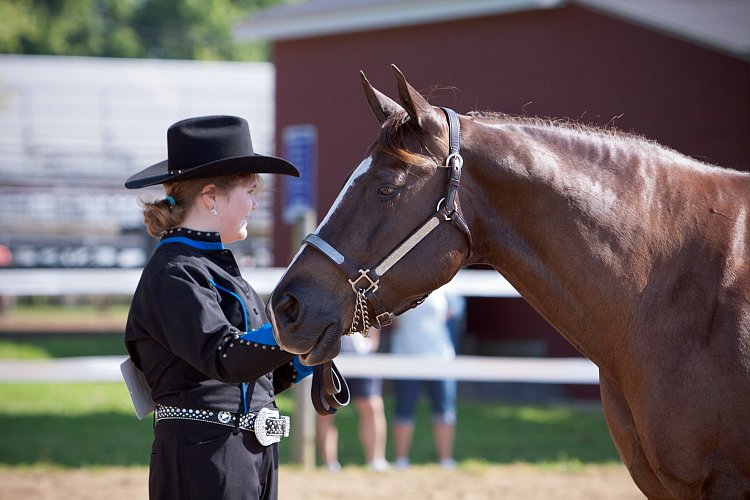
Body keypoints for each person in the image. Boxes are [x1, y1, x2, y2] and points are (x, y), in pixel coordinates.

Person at [123, 115, 310, 500]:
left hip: (243, 452)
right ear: (211, 196)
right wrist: (297, 325)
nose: (255, 204)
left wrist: (315, 347)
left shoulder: (211, 267)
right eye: (250, 191)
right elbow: (225, 357)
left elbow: (256, 379)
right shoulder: (174, 272)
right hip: (205, 457)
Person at [389, 288, 457, 469]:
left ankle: (446, 460)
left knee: (444, 409)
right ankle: (401, 460)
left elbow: (453, 313)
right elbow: (390, 318)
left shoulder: (445, 287)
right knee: (404, 409)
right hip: (405, 356)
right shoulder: (402, 286)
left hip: (440, 357)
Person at [315, 329, 389, 472]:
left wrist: (373, 342)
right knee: (327, 409)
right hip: (331, 352)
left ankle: (376, 461)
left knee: (373, 406)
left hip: (362, 352)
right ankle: (329, 464)